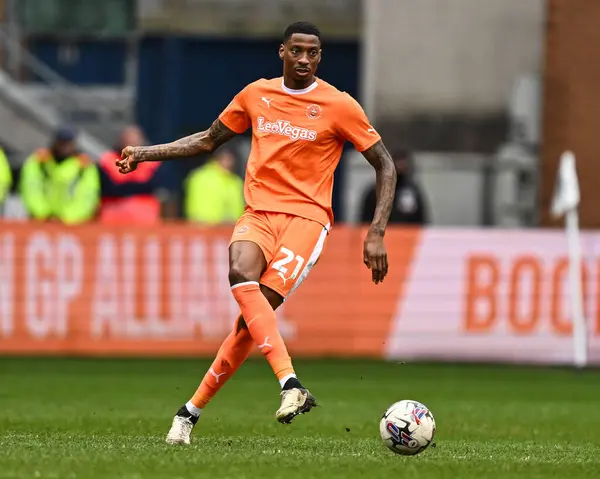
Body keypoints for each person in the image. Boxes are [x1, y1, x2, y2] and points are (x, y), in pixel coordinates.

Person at [117, 21, 397, 445]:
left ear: (319, 58)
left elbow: (385, 165)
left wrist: (376, 231)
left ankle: (189, 413)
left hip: (306, 220)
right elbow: (209, 140)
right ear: (281, 51)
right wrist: (145, 153)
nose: (304, 60)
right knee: (240, 276)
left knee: (253, 319)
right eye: (297, 51)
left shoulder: (339, 106)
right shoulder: (256, 94)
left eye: (313, 53)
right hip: (259, 213)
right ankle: (290, 385)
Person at [20, 126, 100, 224]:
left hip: (72, 225)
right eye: (62, 142)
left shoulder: (84, 166)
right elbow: (31, 189)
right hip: (41, 222)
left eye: (68, 143)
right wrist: (44, 214)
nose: (65, 146)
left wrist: (67, 218)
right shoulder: (39, 161)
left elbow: (87, 197)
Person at [360, 148, 428, 225]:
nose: (401, 165)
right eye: (398, 161)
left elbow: (421, 217)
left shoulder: (412, 190)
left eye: (403, 162)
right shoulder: (376, 189)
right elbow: (366, 217)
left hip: (407, 234)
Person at [184, 146, 245, 224]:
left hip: (229, 228)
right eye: (226, 158)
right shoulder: (199, 177)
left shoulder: (236, 181)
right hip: (208, 228)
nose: (229, 162)